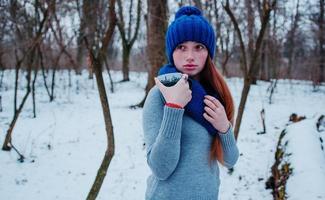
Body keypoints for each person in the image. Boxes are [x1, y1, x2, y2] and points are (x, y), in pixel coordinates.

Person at [142, 5, 239, 200]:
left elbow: (230, 161)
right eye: (181, 47)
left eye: (199, 47)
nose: (190, 56)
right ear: (172, 51)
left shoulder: (215, 96)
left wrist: (224, 128)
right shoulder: (158, 96)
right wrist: (174, 108)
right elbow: (161, 169)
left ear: (208, 52)